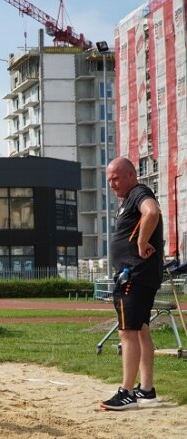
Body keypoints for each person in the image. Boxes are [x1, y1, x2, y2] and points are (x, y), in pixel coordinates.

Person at [100, 157, 164, 411]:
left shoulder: (139, 193)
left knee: (127, 332)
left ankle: (126, 391)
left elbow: (152, 211)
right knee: (140, 330)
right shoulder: (128, 200)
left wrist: (141, 242)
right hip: (140, 275)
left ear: (130, 175)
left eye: (115, 178)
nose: (112, 184)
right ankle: (146, 390)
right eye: (109, 180)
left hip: (135, 275)